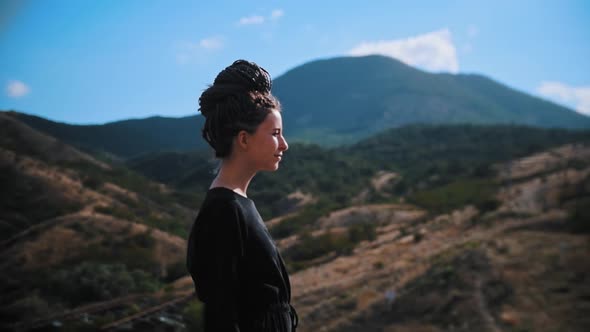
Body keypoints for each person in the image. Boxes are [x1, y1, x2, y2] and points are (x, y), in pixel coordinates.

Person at [186, 60, 298, 331]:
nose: (284, 144)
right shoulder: (223, 210)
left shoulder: (239, 204)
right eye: (275, 134)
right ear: (244, 139)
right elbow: (221, 316)